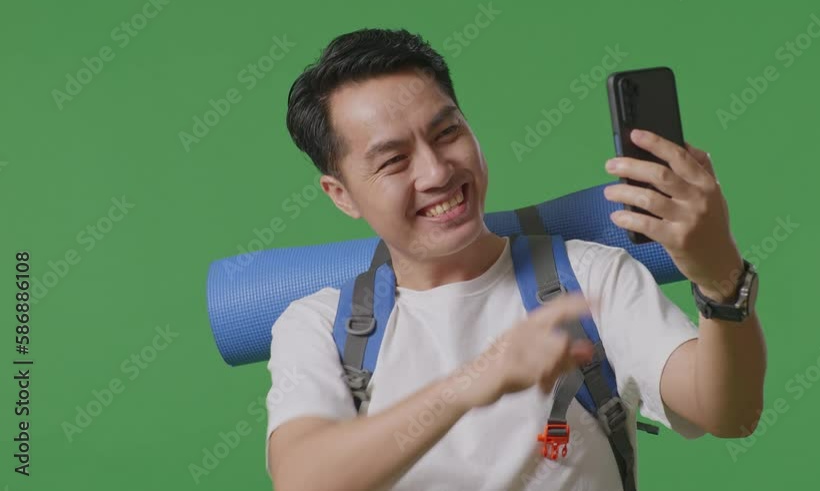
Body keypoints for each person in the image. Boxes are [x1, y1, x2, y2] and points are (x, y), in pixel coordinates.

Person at [265, 28, 767, 491]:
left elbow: (729, 414)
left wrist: (719, 275)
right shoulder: (319, 327)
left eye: (446, 133)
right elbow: (303, 480)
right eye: (394, 160)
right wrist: (475, 380)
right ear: (341, 194)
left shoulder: (589, 279)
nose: (437, 171)